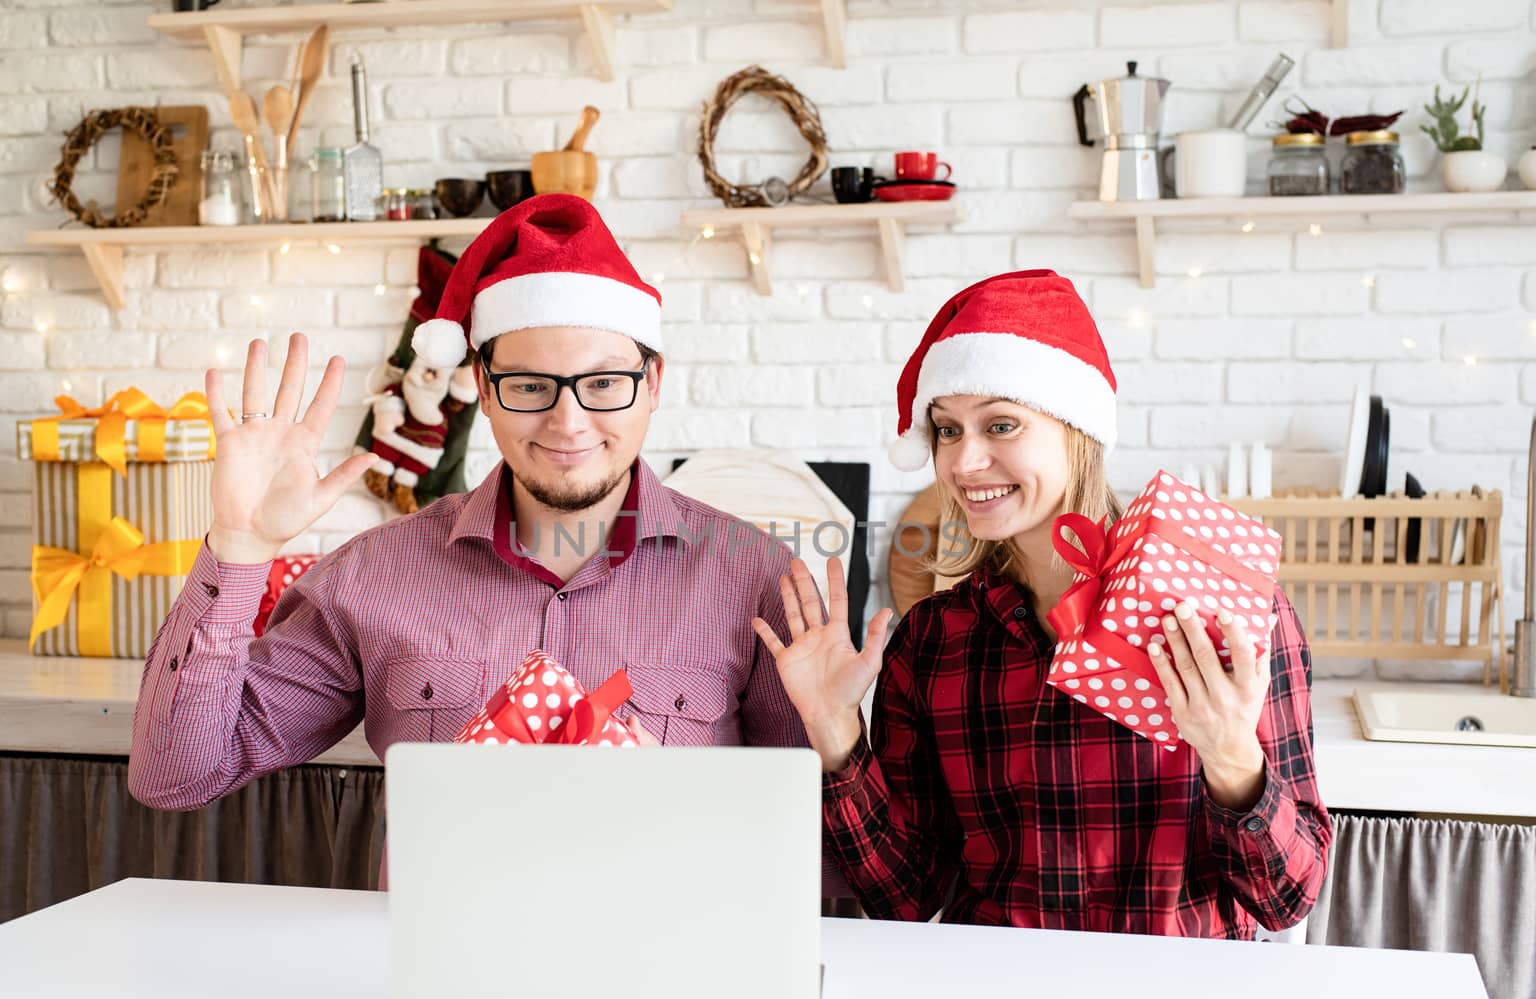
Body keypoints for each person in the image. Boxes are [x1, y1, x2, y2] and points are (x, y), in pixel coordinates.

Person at [129, 195, 824, 886]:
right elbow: (175, 777)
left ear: (654, 384)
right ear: (484, 390)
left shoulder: (757, 580)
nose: (568, 421)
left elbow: (807, 848)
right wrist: (240, 546)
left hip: (671, 975)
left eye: (604, 383)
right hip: (437, 983)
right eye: (529, 385)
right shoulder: (374, 574)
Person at [755, 270, 1330, 937]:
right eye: (946, 431)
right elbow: (906, 899)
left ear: (1077, 430)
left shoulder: (1220, 611)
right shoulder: (934, 641)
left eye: (1001, 424)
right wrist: (833, 727)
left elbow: (1291, 898)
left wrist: (1232, 757)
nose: (964, 463)